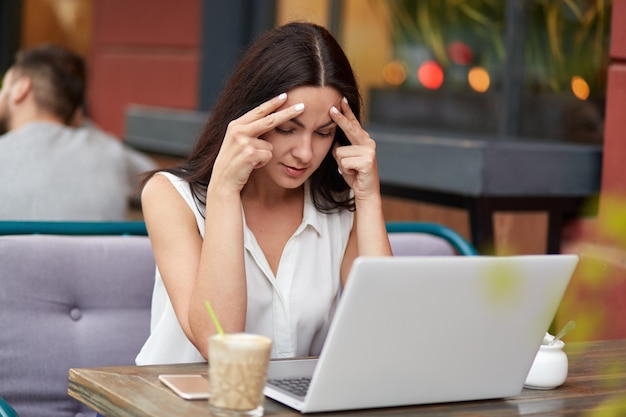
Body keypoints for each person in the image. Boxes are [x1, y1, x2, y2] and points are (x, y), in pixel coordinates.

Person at [135, 21, 392, 365]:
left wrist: (369, 197)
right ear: (249, 117)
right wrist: (225, 190)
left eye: (324, 133)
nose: (304, 152)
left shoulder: (338, 208)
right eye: (288, 129)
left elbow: (384, 331)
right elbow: (218, 343)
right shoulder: (170, 196)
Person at [0, 44, 156, 221]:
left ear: (21, 89)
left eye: (3, 88)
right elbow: (163, 182)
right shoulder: (111, 153)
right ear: (77, 115)